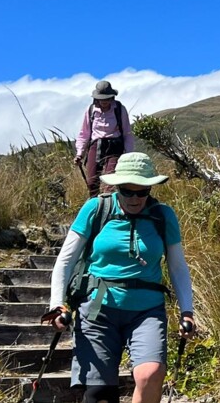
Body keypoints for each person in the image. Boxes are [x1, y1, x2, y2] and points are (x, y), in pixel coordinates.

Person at [46, 152, 197, 403]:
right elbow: (66, 260)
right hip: (97, 304)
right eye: (128, 191)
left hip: (147, 310)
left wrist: (187, 312)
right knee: (99, 393)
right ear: (117, 186)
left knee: (151, 374)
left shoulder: (163, 215)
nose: (135, 198)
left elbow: (178, 267)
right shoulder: (97, 209)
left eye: (142, 191)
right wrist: (57, 304)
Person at [75, 80, 135, 197]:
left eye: (107, 99)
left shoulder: (119, 109)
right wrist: (80, 153)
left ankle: (109, 207)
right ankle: (95, 206)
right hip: (95, 146)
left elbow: (127, 133)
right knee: (92, 183)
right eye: (101, 99)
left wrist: (128, 153)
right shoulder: (91, 110)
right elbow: (84, 133)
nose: (104, 102)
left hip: (115, 146)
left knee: (110, 183)